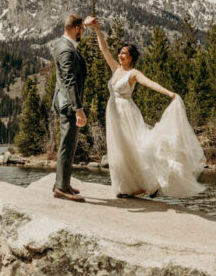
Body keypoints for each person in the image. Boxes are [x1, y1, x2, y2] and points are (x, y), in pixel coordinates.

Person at [87, 18, 205, 199]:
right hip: (114, 114)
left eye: (124, 53)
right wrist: (97, 30)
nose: (120, 55)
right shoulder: (116, 70)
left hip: (127, 113)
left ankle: (150, 183)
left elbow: (150, 83)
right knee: (120, 151)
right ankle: (129, 186)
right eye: (120, 53)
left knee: (135, 148)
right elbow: (104, 50)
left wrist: (169, 93)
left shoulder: (133, 74)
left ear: (131, 57)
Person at [50, 14, 90, 202]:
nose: (83, 32)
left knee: (69, 143)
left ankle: (63, 181)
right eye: (83, 29)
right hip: (68, 104)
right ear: (76, 28)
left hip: (64, 101)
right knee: (68, 143)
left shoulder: (61, 44)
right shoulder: (66, 50)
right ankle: (61, 188)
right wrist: (78, 108)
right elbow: (69, 80)